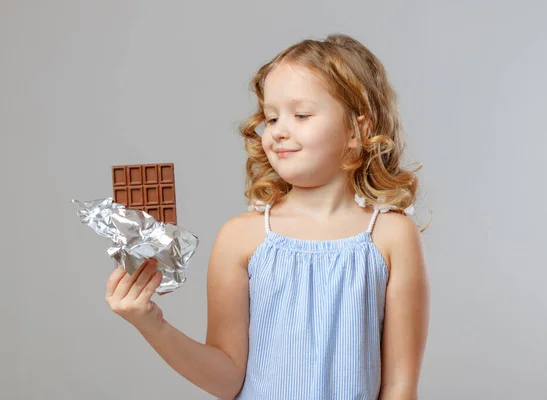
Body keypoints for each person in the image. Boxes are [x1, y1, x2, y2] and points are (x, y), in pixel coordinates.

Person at [105, 33, 431, 400]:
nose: (278, 131)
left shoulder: (392, 235)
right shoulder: (241, 238)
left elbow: (400, 386)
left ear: (358, 129)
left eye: (301, 115)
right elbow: (227, 379)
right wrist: (151, 323)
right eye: (271, 117)